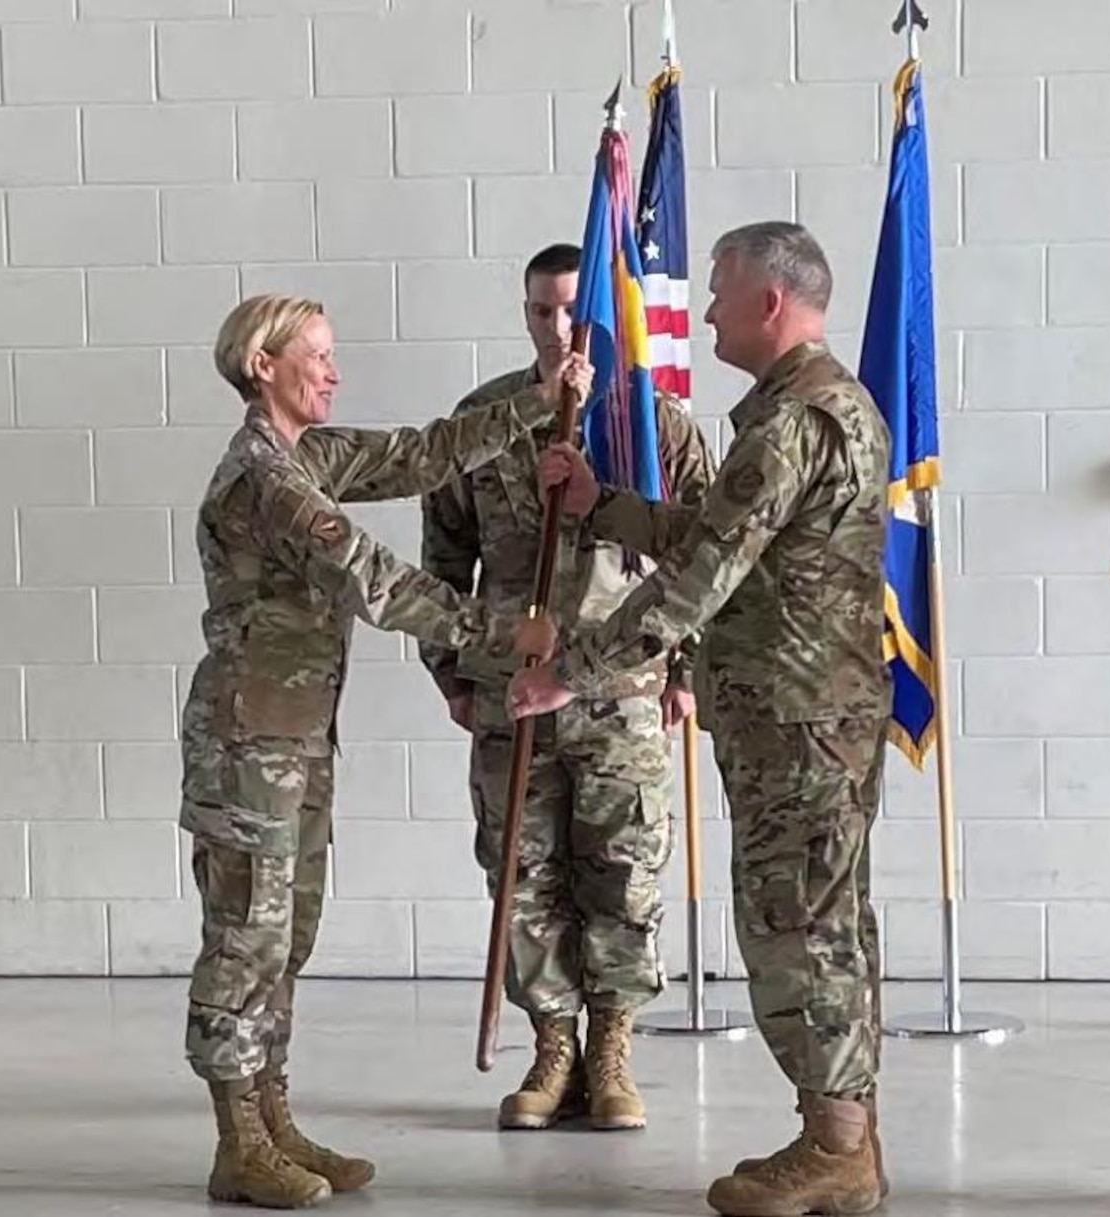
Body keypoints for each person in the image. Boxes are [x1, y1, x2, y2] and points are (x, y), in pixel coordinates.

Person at [509, 221, 893, 1217]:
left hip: (797, 722)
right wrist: (608, 506)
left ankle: (836, 1145)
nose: (706, 311)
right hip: (804, 716)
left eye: (719, 292)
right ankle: (842, 1131)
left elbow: (698, 581)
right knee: (824, 921)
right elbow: (722, 535)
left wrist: (574, 674)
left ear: (771, 302)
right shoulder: (808, 404)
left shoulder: (790, 421)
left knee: (797, 926)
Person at [181, 292, 588, 1210]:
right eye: (316, 355)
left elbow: (420, 453)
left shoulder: (308, 455)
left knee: (290, 934)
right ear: (263, 366)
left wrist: (537, 398)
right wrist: (502, 633)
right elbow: (372, 577)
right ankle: (237, 1139)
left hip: (295, 736)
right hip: (248, 741)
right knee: (247, 935)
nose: (333, 370)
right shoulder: (263, 477)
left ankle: (272, 1117)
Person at [419, 241, 715, 1132]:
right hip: (513, 688)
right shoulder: (483, 421)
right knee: (522, 869)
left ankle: (614, 1046)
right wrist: (451, 670)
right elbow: (444, 558)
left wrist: (688, 670)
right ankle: (553, 1046)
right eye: (543, 311)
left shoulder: (651, 427)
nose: (559, 329)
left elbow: (705, 553)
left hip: (623, 686)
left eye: (575, 313)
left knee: (622, 870)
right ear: (524, 315)